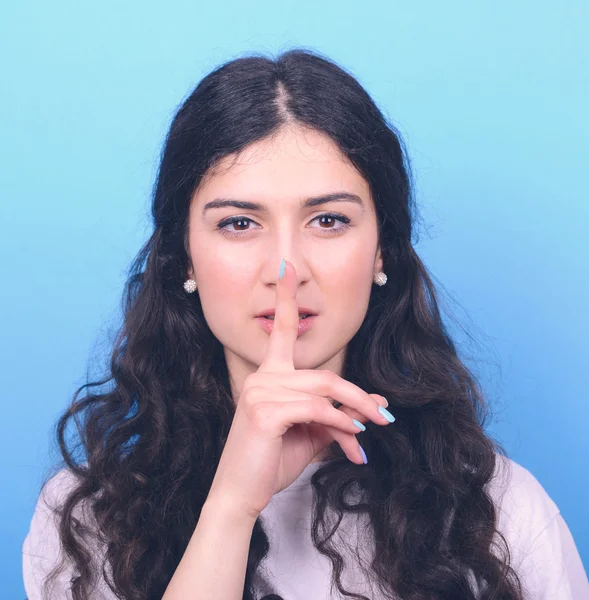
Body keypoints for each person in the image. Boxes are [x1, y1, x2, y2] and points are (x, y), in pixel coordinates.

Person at [22, 48, 588, 600]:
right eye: (240, 223)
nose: (286, 270)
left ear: (381, 253)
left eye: (329, 220)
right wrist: (230, 507)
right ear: (186, 257)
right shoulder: (86, 522)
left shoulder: (498, 514)